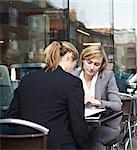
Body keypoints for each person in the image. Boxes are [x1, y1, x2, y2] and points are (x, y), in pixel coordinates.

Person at [7, 41, 90, 150]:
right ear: (71, 56)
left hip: (25, 144)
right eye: (76, 63)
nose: (74, 68)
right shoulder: (72, 83)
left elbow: (12, 115)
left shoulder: (27, 79)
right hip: (57, 145)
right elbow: (77, 125)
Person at [75, 44, 122, 150]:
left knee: (93, 137)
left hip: (105, 126)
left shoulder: (107, 76)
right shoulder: (73, 75)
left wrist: (96, 102)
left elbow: (117, 105)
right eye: (89, 62)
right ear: (82, 60)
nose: (92, 67)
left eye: (96, 64)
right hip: (80, 124)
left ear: (101, 65)